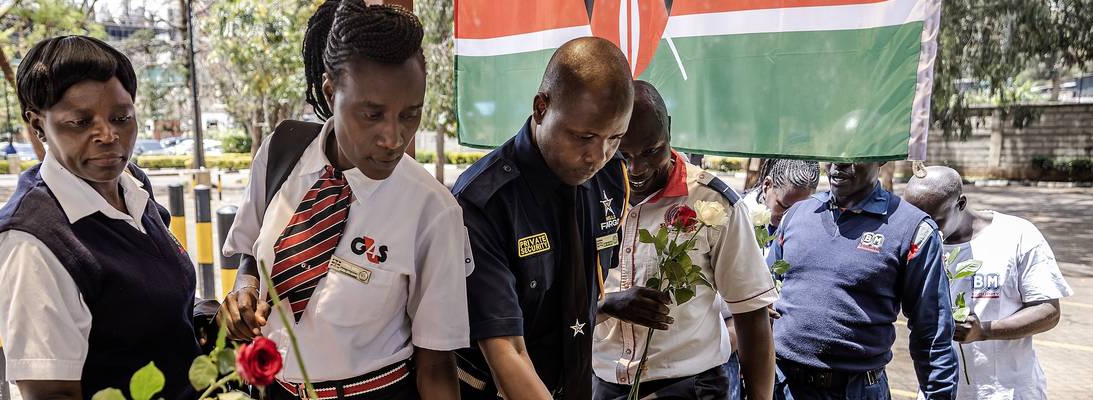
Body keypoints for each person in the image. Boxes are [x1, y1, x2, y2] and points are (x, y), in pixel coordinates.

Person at [218, 1, 468, 399]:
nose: (393, 138)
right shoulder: (281, 152)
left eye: (410, 115)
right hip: (274, 390)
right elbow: (250, 252)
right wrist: (243, 292)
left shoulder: (432, 211)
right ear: (331, 91)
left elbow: (436, 365)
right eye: (372, 114)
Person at [0, 35, 210, 399]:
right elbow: (52, 393)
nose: (108, 135)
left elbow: (152, 301)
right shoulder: (30, 244)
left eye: (121, 117)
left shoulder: (131, 185)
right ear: (37, 125)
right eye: (79, 122)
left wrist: (206, 316)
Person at [452, 36, 634, 400]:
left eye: (614, 138)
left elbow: (579, 289)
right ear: (541, 108)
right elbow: (507, 351)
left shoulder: (612, 176)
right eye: (583, 136)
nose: (598, 155)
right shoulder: (484, 203)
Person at [592, 80, 776, 400]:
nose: (637, 168)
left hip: (689, 387)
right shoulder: (586, 195)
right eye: (623, 155)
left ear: (669, 132)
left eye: (651, 151)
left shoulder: (714, 203)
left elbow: (751, 314)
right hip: (603, 382)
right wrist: (608, 305)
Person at [769, 162, 958, 399]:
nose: (839, 163)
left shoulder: (913, 229)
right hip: (783, 387)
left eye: (853, 154)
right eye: (834, 152)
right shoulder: (797, 214)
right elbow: (763, 297)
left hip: (856, 390)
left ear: (881, 158)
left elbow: (932, 332)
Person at [904, 166, 1072, 400]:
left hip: (1009, 391)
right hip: (941, 392)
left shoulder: (1016, 235)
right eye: (916, 221)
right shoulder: (914, 245)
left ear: (960, 204)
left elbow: (1048, 310)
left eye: (935, 221)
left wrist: (983, 331)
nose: (925, 230)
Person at [745, 159, 821, 231]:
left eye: (801, 209)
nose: (791, 217)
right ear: (767, 186)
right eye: (784, 206)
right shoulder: (743, 219)